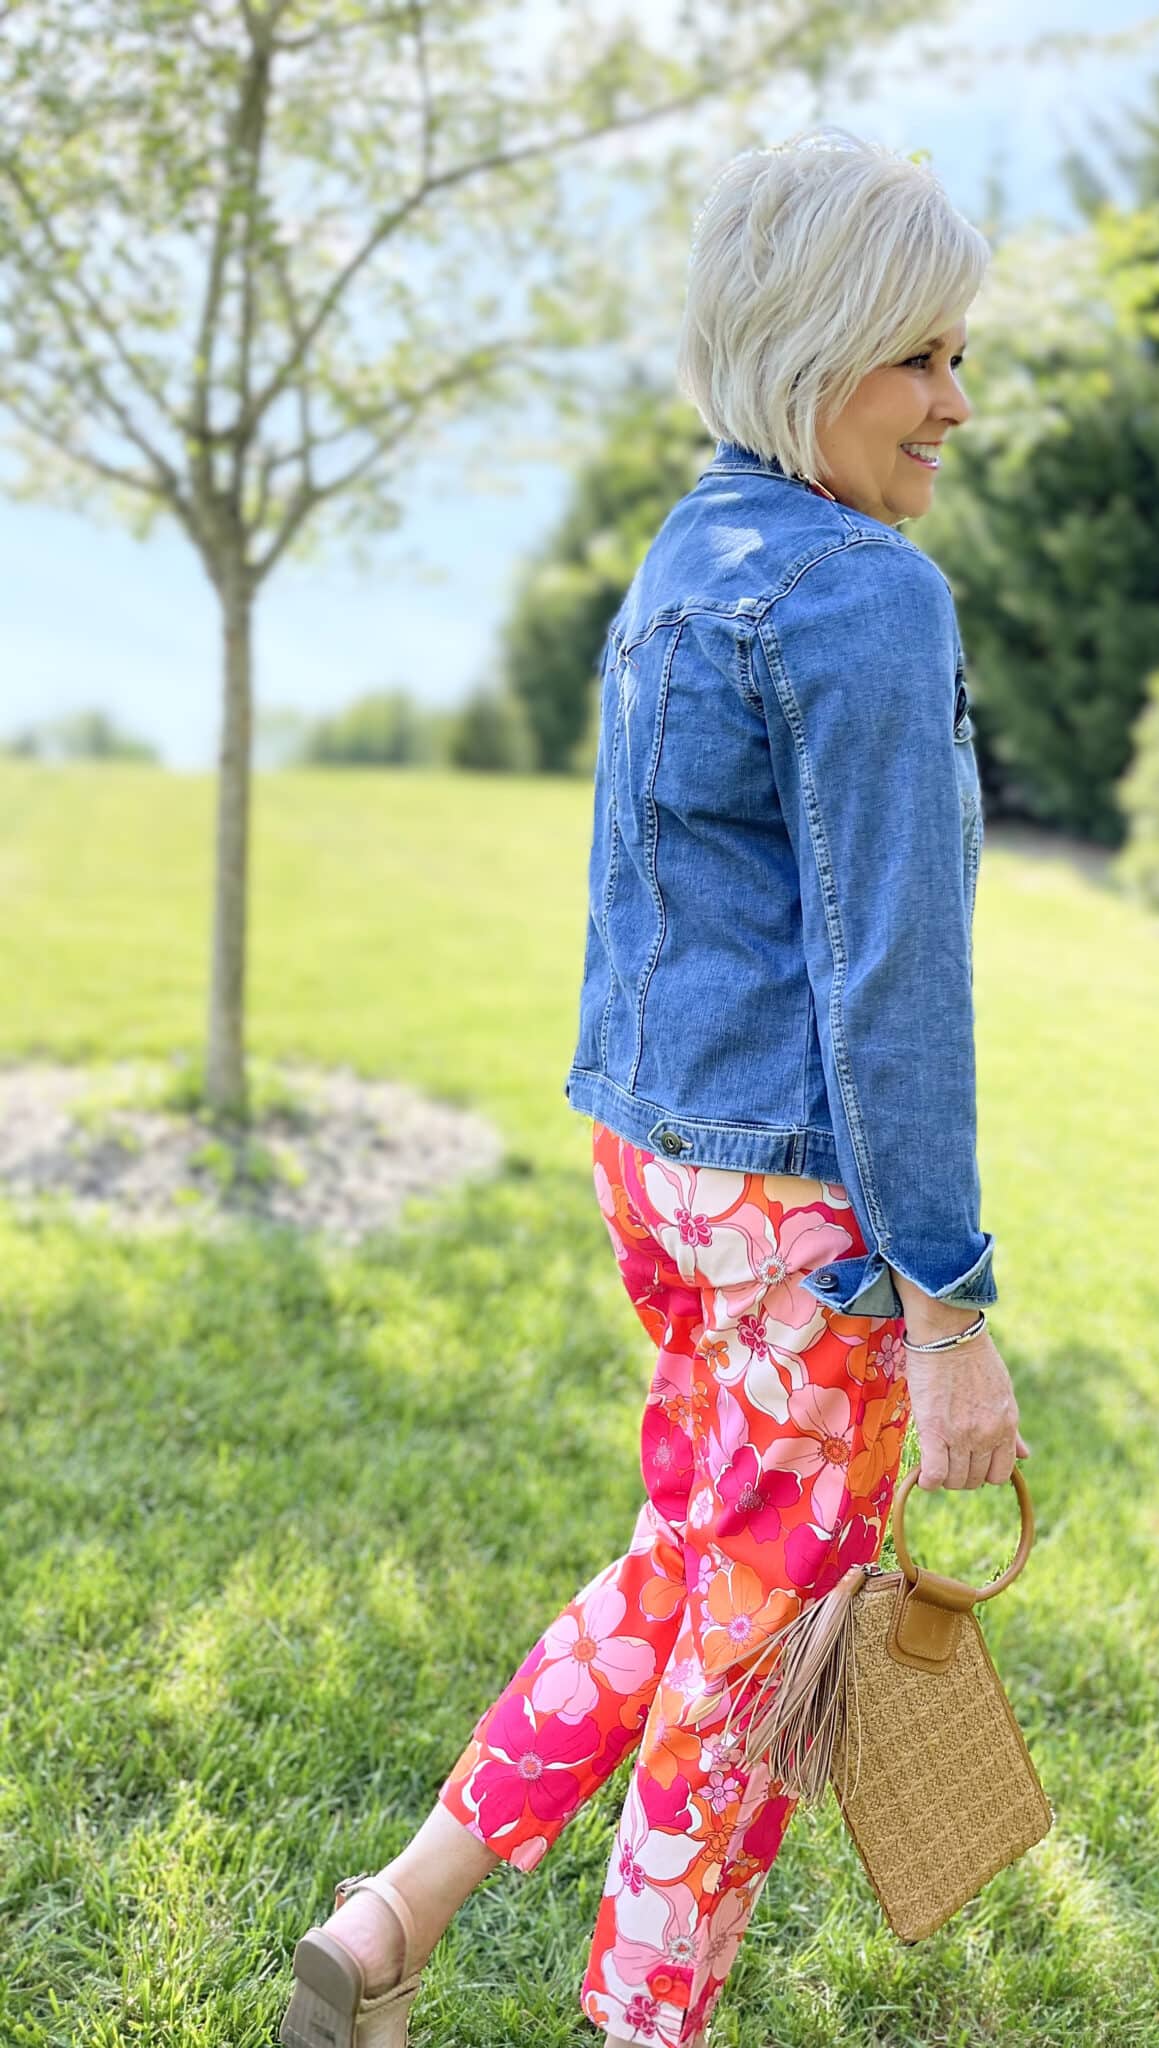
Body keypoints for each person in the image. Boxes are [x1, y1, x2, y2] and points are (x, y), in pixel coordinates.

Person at [280, 123, 1029, 2048]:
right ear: (817, 341)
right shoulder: (865, 596)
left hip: (664, 1172)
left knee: (686, 1561)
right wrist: (947, 1313)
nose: (958, 402)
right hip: (805, 1217)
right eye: (923, 356)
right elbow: (893, 990)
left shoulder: (692, 553)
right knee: (750, 1677)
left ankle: (390, 1927)